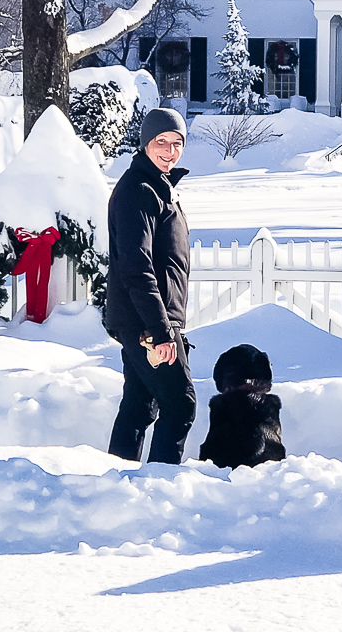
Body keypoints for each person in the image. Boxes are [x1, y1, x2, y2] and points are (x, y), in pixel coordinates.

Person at [106, 107, 197, 464]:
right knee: (180, 403)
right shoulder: (139, 191)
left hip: (147, 320)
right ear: (145, 143)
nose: (170, 151)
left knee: (140, 405)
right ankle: (160, 487)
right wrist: (161, 331)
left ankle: (118, 479)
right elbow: (135, 266)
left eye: (177, 143)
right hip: (147, 323)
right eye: (161, 142)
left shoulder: (158, 188)